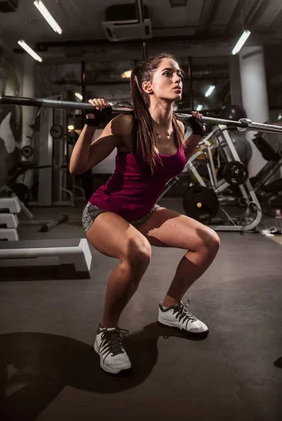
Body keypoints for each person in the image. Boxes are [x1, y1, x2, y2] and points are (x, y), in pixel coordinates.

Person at [69, 53, 220, 375]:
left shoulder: (178, 126)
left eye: (180, 74)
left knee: (208, 241)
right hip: (104, 211)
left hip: (143, 212)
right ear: (147, 85)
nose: (178, 79)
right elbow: (78, 167)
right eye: (169, 73)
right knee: (139, 252)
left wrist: (195, 134)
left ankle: (170, 307)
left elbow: (175, 164)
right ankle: (106, 331)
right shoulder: (126, 123)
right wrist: (90, 125)